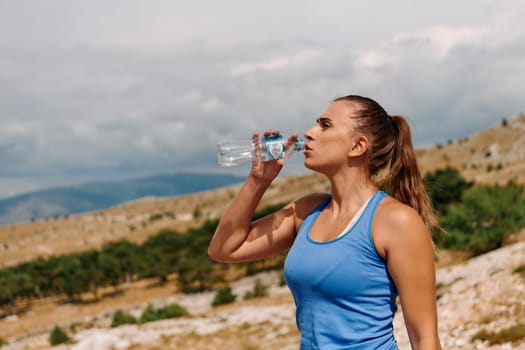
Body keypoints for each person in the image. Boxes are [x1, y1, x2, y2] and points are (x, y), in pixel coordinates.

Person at [208, 95, 442, 349]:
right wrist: (258, 181)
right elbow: (224, 249)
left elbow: (424, 339)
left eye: (325, 125)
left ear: (357, 146)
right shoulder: (306, 211)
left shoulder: (395, 221)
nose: (309, 133)